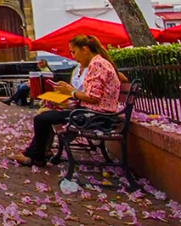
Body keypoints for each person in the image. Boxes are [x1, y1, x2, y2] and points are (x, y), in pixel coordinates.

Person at [8, 35, 124, 167]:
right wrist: (69, 91)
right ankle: (33, 154)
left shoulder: (97, 64)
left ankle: (35, 157)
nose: (73, 57)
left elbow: (93, 97)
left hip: (95, 116)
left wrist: (71, 92)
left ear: (84, 49)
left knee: (41, 118)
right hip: (95, 113)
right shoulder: (98, 62)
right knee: (44, 116)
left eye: (74, 52)